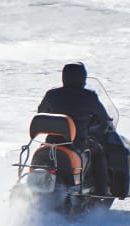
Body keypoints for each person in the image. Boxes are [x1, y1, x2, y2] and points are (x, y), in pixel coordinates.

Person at [38, 62, 110, 196]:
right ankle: (101, 193)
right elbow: (103, 118)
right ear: (83, 77)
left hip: (51, 143)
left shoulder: (52, 95)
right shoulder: (89, 96)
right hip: (77, 144)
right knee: (98, 151)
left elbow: (41, 112)